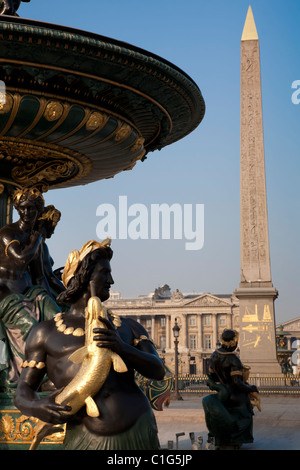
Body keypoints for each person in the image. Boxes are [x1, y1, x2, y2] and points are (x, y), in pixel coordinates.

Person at [14, 239, 166, 450]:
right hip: (84, 436)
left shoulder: (129, 327)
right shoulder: (45, 333)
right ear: (83, 276)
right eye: (105, 272)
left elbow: (158, 370)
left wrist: (123, 348)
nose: (111, 280)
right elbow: (23, 390)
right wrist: (36, 405)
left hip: (139, 429)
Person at [0, 188, 61, 386]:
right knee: (34, 330)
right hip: (5, 294)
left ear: (38, 210)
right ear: (17, 209)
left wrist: (61, 298)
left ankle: (58, 369)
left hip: (29, 292)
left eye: (32, 209)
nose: (27, 213)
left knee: (58, 322)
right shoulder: (8, 233)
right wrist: (37, 240)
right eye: (23, 209)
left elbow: (41, 277)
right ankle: (32, 380)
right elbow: (20, 260)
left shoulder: (38, 243)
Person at [202, 329, 260, 449]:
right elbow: (237, 383)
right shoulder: (234, 359)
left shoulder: (214, 355)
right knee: (247, 410)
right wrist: (252, 388)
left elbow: (211, 377)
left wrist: (216, 386)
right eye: (237, 341)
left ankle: (221, 438)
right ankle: (237, 437)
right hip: (234, 395)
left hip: (223, 392)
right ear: (233, 342)